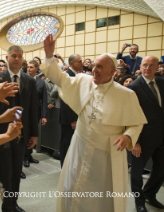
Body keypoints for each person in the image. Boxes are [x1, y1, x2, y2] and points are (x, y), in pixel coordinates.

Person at [41, 34, 147, 212]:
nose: (94, 69)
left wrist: (127, 136)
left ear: (112, 72)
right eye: (94, 65)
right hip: (80, 146)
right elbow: (60, 78)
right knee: (72, 187)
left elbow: (136, 123)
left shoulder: (126, 94)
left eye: (100, 66)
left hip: (106, 154)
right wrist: (49, 55)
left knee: (99, 198)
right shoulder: (84, 81)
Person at [0, 45, 38, 212]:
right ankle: (6, 205)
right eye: (14, 56)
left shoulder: (30, 80)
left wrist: (34, 134)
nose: (17, 59)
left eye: (20, 56)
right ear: (7, 58)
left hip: (21, 134)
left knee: (16, 171)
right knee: (4, 172)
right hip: (2, 132)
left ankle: (13, 203)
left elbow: (32, 109)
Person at [127, 56, 164, 212]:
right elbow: (129, 116)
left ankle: (150, 193)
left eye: (151, 65)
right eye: (145, 65)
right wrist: (134, 141)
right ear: (140, 67)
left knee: (161, 169)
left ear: (157, 67)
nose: (147, 68)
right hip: (142, 138)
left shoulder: (162, 83)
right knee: (136, 173)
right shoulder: (133, 87)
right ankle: (139, 201)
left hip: (161, 136)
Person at [59, 54, 82, 168]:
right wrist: (72, 120)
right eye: (79, 61)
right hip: (69, 118)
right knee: (66, 143)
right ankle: (64, 167)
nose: (82, 63)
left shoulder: (77, 75)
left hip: (76, 116)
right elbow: (65, 101)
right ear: (72, 63)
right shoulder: (67, 75)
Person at [23, 60, 47, 168]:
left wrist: (44, 116)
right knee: (25, 134)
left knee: (33, 134)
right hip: (24, 113)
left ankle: (29, 155)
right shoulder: (23, 80)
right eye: (28, 67)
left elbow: (44, 100)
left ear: (37, 69)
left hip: (35, 113)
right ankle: (24, 157)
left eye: (31, 67)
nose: (29, 69)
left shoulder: (41, 82)